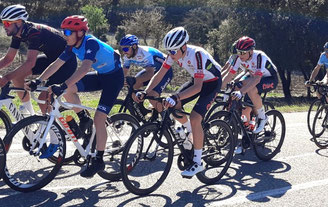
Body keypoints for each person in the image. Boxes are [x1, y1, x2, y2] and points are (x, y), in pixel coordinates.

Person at [29, 15, 124, 178]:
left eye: (67, 32)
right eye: (63, 31)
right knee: (69, 90)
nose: (64, 35)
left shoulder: (91, 43)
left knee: (99, 119)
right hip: (101, 75)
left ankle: (99, 160)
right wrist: (38, 80)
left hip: (114, 79)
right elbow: (57, 64)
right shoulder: (71, 46)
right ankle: (83, 117)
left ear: (80, 33)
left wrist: (63, 85)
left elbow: (85, 68)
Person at [136, 27, 222, 177]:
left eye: (173, 51)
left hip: (212, 83)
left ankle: (198, 162)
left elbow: (198, 87)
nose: (171, 55)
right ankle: (190, 131)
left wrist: (176, 97)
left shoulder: (197, 55)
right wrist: (146, 92)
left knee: (195, 118)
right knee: (174, 105)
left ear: (183, 47)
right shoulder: (174, 54)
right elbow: (159, 75)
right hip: (196, 80)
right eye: (169, 52)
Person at [0, 4, 77, 114]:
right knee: (17, 78)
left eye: (7, 23)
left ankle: (50, 128)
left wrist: (6, 78)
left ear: (18, 22)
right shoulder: (17, 33)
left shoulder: (34, 32)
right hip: (51, 60)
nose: (4, 26)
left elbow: (30, 63)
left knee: (43, 98)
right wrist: (9, 77)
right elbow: (8, 58)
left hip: (65, 64)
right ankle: (30, 116)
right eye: (3, 23)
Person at [221, 36, 278, 153]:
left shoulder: (259, 56)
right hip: (252, 77)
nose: (240, 55)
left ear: (251, 51)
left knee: (250, 91)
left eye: (243, 53)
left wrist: (241, 92)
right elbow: (230, 75)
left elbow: (257, 79)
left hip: (269, 78)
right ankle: (244, 127)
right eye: (238, 52)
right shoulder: (239, 58)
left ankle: (262, 117)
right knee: (235, 86)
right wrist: (218, 87)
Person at [119, 34, 173, 112]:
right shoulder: (128, 55)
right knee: (133, 87)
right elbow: (124, 71)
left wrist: (134, 79)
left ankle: (165, 118)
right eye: (122, 49)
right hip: (153, 70)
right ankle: (142, 110)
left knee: (151, 95)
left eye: (126, 49)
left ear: (134, 46)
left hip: (165, 72)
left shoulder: (145, 53)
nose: (124, 52)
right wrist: (122, 80)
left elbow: (150, 74)